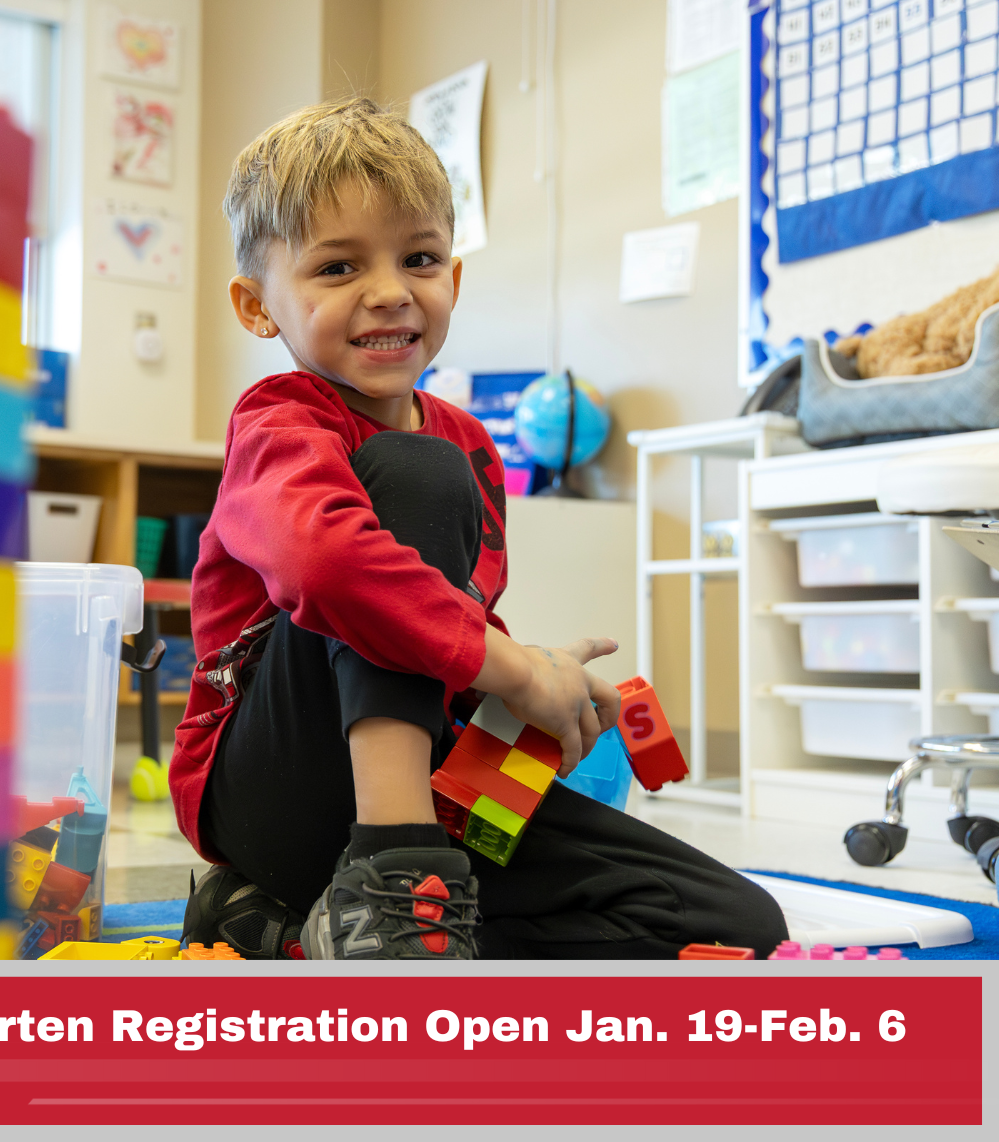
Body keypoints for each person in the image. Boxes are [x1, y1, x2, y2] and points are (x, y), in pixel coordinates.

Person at [170, 96, 786, 960]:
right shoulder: (279, 423)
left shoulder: (467, 444)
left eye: (418, 258)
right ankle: (390, 879)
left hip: (436, 784)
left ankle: (291, 931)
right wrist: (513, 669)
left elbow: (444, 613)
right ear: (257, 304)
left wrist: (531, 686)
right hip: (275, 791)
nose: (390, 292)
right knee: (412, 476)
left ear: (451, 280)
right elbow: (329, 566)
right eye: (338, 269)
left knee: (733, 924)